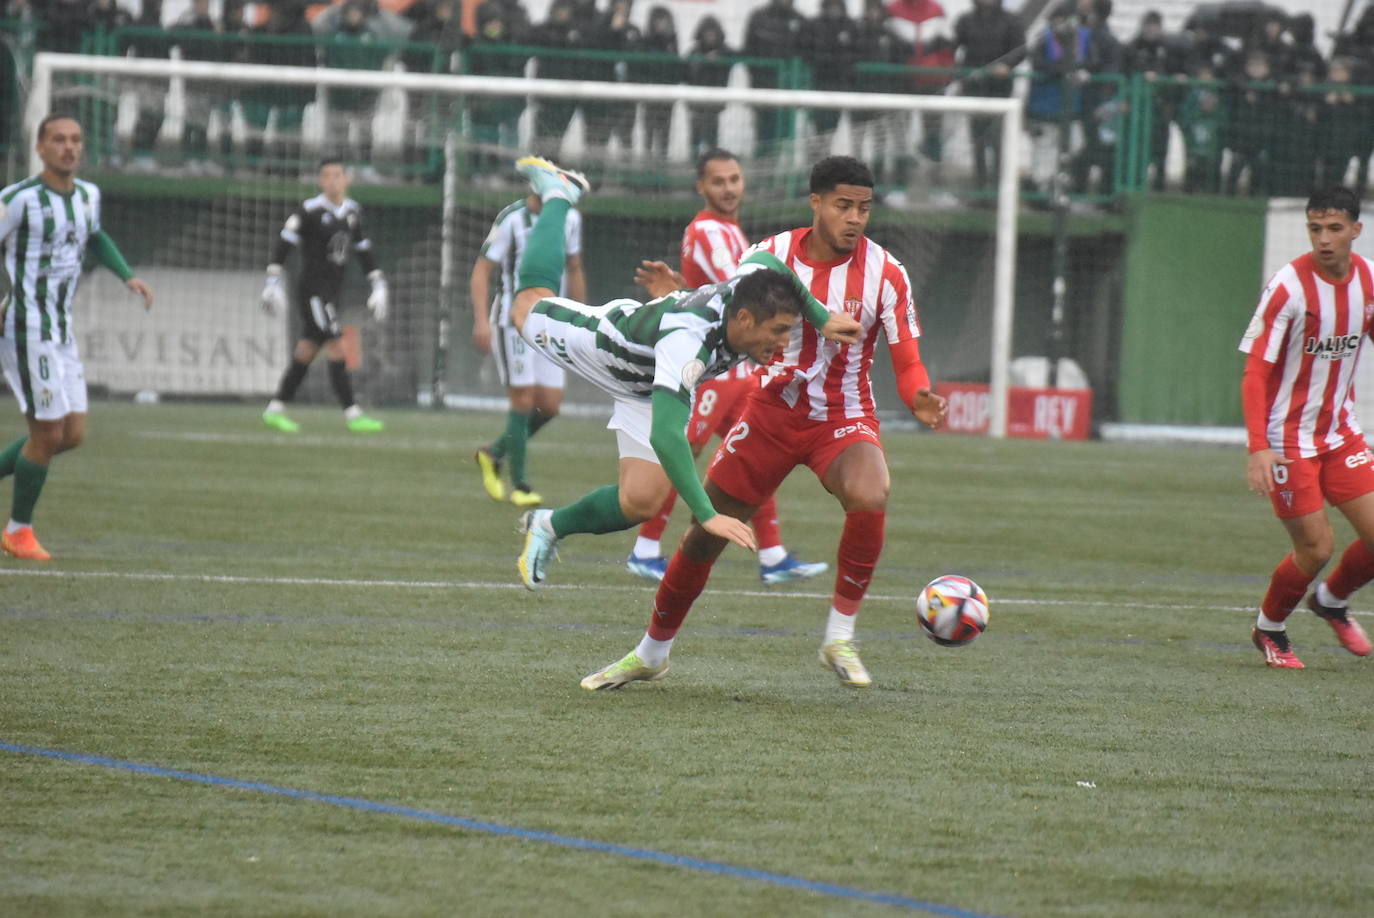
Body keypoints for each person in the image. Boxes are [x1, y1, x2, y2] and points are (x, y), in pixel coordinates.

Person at [580, 156, 948, 691]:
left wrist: (917, 394)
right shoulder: (767, 257)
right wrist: (678, 290)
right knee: (705, 535)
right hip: (770, 413)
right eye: (843, 205)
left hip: (842, 416)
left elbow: (908, 357)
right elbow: (723, 311)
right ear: (816, 203)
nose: (854, 218)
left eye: (864, 208)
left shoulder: (886, 273)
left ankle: (839, 637)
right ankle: (651, 652)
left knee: (871, 492)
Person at [505, 155, 861, 592]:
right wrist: (708, 515)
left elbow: (771, 259)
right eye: (778, 332)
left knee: (641, 501)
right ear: (745, 320)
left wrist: (820, 316)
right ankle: (559, 191)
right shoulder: (688, 347)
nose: (783, 343)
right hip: (605, 347)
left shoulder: (748, 288)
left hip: (648, 379)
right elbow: (668, 437)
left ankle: (548, 525)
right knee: (526, 305)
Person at [626, 149, 828, 586]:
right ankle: (645, 548)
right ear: (701, 187)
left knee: (761, 455)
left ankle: (772, 556)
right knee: (684, 449)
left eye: (735, 178)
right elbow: (738, 290)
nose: (729, 188)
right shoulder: (707, 230)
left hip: (738, 371)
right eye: (718, 181)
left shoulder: (731, 230)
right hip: (713, 367)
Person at [0, 114, 154, 561]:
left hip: (61, 328)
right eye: (58, 140)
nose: (68, 147)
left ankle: (17, 528)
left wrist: (128, 276)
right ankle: (18, 531)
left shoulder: (88, 196)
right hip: (26, 327)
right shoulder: (18, 200)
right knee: (47, 433)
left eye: (75, 140)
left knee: (71, 434)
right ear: (41, 148)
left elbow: (95, 237)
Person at [1240, 185, 1374, 668]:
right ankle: (1269, 628)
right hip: (1287, 441)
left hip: (1340, 434)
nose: (1323, 238)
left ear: (1356, 230)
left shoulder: (1369, 282)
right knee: (1316, 546)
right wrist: (1258, 448)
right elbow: (1255, 372)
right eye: (1315, 228)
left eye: (1334, 228)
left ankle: (1332, 600)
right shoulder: (1289, 288)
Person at [471, 190, 586, 508]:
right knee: (522, 399)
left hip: (550, 322)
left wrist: (582, 318)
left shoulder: (570, 217)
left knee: (549, 406)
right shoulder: (512, 217)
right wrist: (481, 320)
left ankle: (493, 454)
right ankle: (520, 484)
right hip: (513, 321)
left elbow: (574, 268)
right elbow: (482, 270)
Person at [260, 158, 388, 434]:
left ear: (346, 179)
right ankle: (353, 414)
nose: (332, 181)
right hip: (313, 292)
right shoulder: (309, 211)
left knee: (306, 351)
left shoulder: (353, 212)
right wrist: (272, 282)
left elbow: (364, 251)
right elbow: (284, 245)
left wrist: (378, 285)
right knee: (337, 345)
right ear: (320, 181)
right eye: (326, 176)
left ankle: (275, 409)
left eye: (337, 175)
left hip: (332, 292)